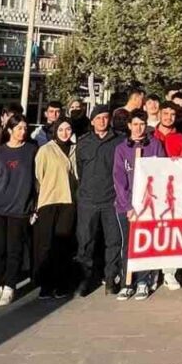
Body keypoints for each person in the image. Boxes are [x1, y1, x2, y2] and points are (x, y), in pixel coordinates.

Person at [114, 109, 168, 300]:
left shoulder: (155, 145)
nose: (138, 128)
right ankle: (127, 282)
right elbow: (119, 180)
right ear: (129, 126)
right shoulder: (121, 149)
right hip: (126, 206)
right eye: (135, 124)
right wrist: (128, 206)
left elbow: (161, 173)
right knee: (127, 244)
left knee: (144, 243)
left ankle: (144, 281)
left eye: (142, 124)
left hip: (148, 205)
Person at [0, 115, 36, 307]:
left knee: (15, 249)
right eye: (19, 128)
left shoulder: (32, 150)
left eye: (25, 128)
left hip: (20, 208)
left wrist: (33, 206)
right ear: (10, 130)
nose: (23, 132)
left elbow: (36, 181)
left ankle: (10, 286)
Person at [75, 105, 124, 296]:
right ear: (92, 120)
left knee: (113, 241)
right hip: (88, 200)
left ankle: (111, 279)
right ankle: (84, 281)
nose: (102, 121)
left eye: (105, 117)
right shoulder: (84, 142)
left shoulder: (118, 141)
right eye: (98, 118)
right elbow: (80, 170)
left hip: (111, 199)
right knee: (85, 243)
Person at [34, 118, 78, 299]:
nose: (65, 133)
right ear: (55, 131)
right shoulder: (45, 150)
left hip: (68, 201)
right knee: (45, 244)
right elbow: (38, 175)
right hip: (49, 200)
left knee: (63, 245)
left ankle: (61, 284)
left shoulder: (75, 149)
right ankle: (45, 285)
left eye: (68, 129)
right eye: (61, 129)